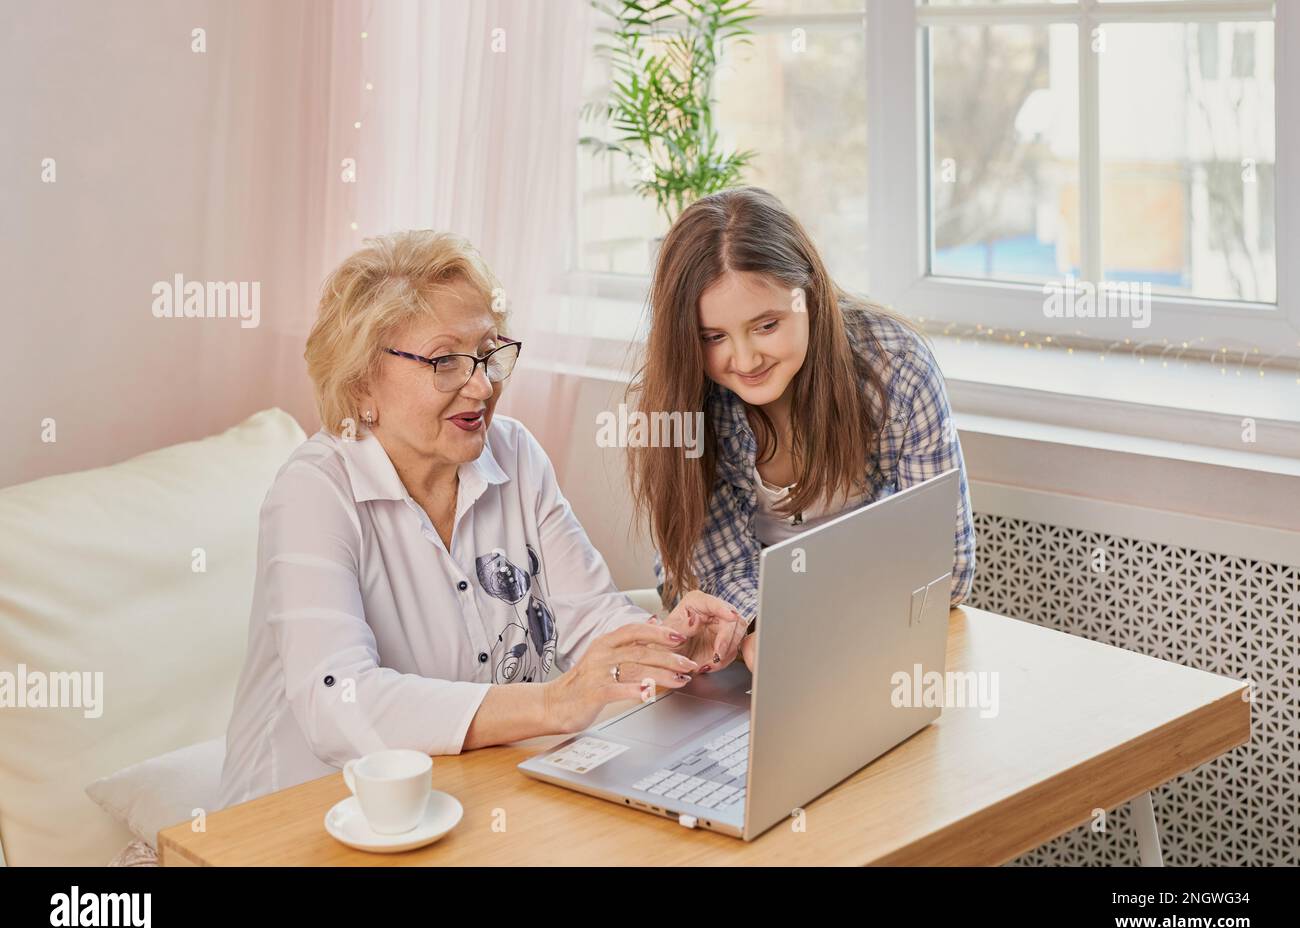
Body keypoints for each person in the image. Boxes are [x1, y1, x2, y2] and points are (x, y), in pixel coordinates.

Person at [218, 230, 745, 809]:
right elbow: (337, 704)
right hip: (304, 818)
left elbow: (590, 619)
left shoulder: (514, 454)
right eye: (446, 361)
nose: (482, 385)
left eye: (490, 353)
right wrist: (552, 703)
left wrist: (667, 645)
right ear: (362, 380)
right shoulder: (314, 491)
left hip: (465, 798)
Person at [627, 187, 976, 674]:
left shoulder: (897, 370)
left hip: (873, 637)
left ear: (808, 295)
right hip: (743, 642)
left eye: (767, 325)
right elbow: (710, 570)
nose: (746, 360)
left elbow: (948, 571)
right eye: (713, 337)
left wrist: (803, 622)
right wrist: (762, 628)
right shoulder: (679, 399)